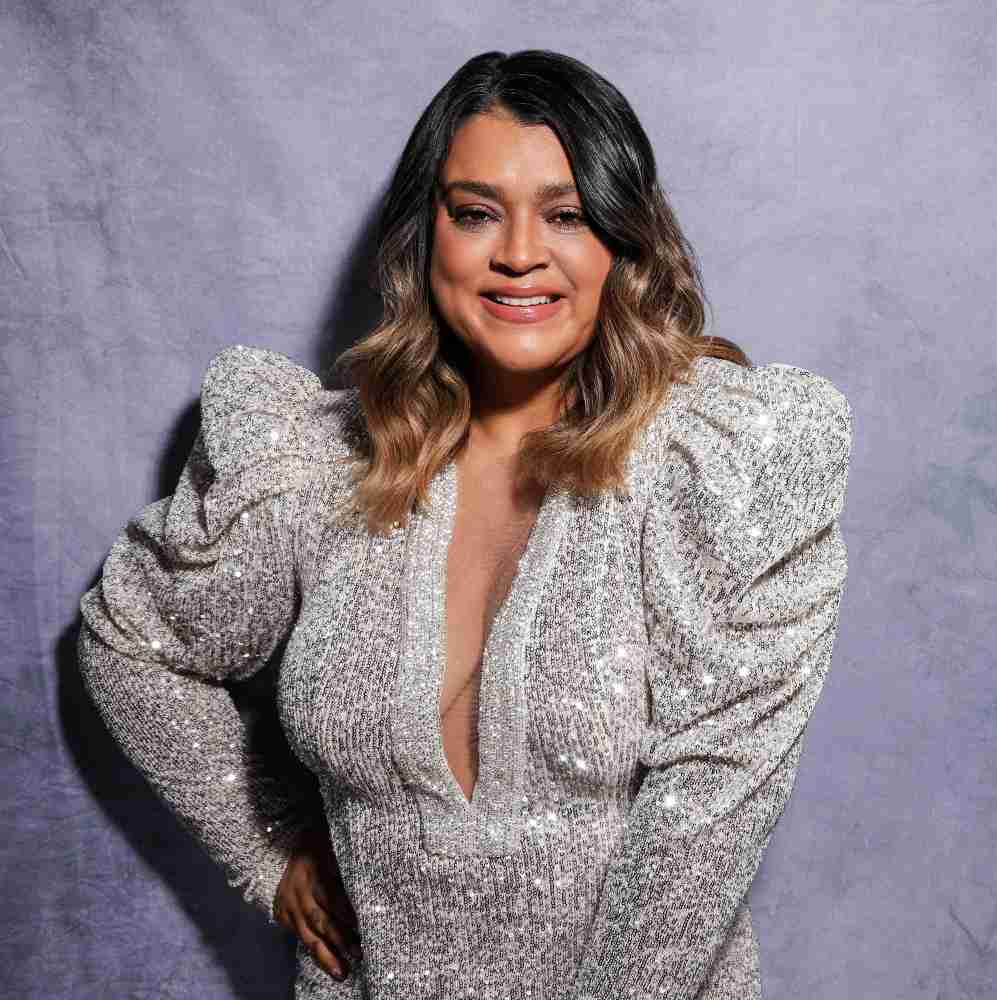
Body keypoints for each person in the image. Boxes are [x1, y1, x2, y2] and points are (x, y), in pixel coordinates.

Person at [76, 49, 852, 1000]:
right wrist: (267, 846)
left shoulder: (720, 467)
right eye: (477, 212)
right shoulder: (316, 469)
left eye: (566, 215)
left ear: (624, 241)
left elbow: (705, 829)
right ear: (424, 238)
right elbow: (133, 642)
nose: (520, 252)